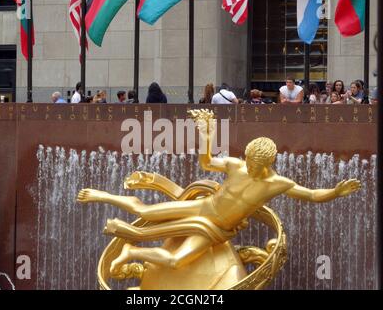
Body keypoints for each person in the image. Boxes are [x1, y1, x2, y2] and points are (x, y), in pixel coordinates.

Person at [77, 110, 360, 274]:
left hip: (215, 230)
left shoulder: (278, 184)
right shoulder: (237, 165)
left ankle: (132, 251)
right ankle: (104, 196)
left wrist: (335, 191)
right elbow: (207, 162)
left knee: (176, 261)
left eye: (254, 164)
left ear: (267, 164)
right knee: (145, 212)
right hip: (203, 208)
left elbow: (310, 195)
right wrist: (206, 138)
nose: (248, 165)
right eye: (248, 160)